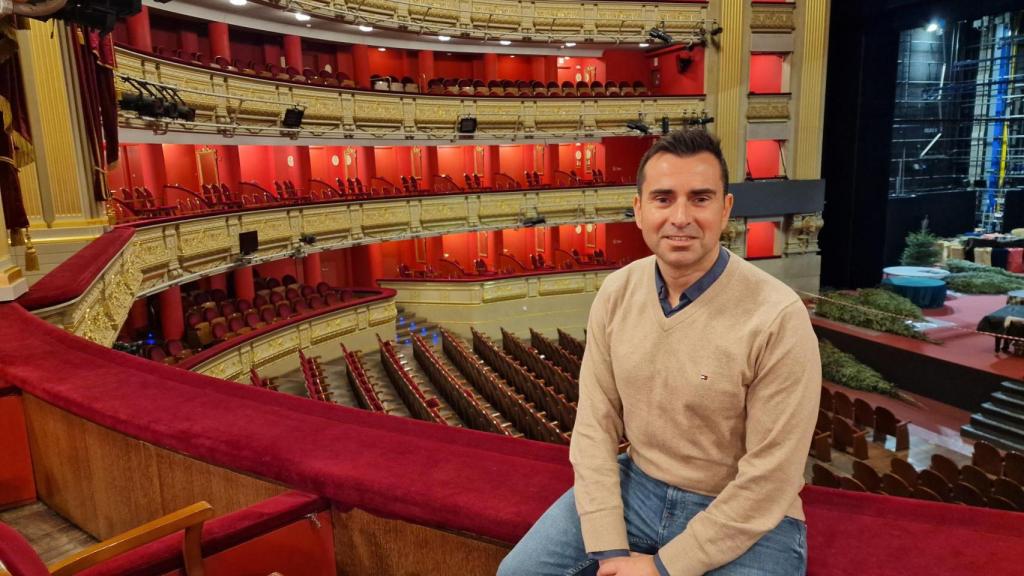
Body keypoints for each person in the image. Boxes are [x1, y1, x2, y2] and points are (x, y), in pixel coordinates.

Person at [497, 129, 820, 576]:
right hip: (639, 487)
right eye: (664, 198)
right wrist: (609, 548)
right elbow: (594, 429)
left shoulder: (778, 316)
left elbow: (771, 478)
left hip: (747, 514)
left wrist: (664, 568)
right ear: (639, 210)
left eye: (700, 198)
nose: (681, 217)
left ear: (725, 210)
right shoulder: (616, 292)